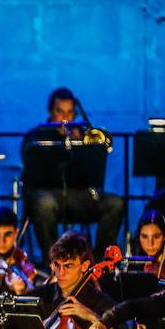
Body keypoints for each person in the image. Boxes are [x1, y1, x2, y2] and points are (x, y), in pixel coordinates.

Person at [23, 88, 124, 260]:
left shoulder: (82, 135)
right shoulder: (35, 136)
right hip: (49, 195)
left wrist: (82, 148)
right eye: (60, 112)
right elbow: (32, 171)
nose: (65, 118)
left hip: (81, 195)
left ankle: (100, 263)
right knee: (44, 205)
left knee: (116, 204)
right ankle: (54, 263)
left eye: (70, 113)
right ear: (50, 111)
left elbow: (94, 173)